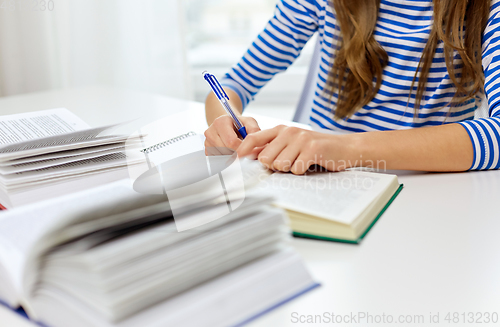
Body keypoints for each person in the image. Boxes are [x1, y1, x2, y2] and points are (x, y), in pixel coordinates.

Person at [204, 0, 499, 175]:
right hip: (321, 181)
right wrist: (225, 121)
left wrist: (348, 148)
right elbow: (235, 84)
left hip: (429, 187)